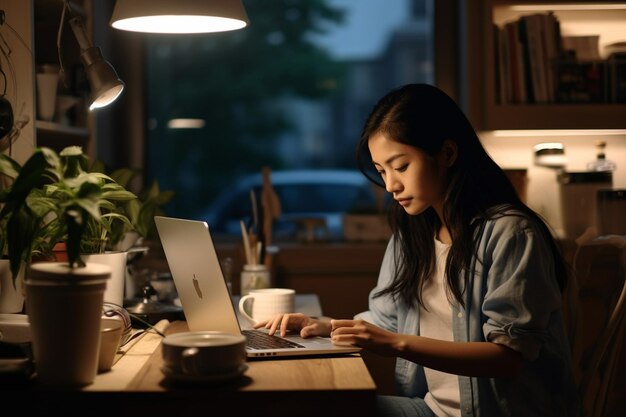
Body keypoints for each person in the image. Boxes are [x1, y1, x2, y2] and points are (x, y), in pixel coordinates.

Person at [255, 83, 578, 417]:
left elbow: (509, 357)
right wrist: (323, 325)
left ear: (447, 154)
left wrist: (396, 345)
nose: (391, 185)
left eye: (401, 166)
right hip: (433, 409)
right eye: (382, 171)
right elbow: (386, 321)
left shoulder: (510, 233)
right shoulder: (413, 233)